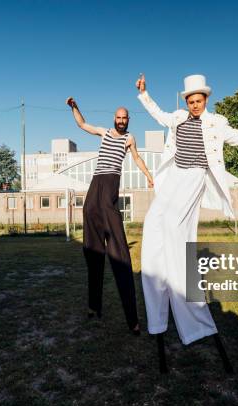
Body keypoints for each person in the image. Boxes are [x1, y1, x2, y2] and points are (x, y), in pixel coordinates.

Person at [135, 74, 238, 372]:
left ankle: (181, 281)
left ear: (205, 100)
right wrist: (144, 93)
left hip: (196, 177)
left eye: (197, 101)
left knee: (175, 228)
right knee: (154, 222)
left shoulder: (217, 123)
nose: (193, 105)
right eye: (190, 101)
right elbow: (159, 115)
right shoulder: (178, 117)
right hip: (174, 176)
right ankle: (158, 270)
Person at [66, 96, 154, 334]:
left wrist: (148, 175)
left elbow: (136, 157)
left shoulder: (129, 138)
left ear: (128, 121)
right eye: (119, 117)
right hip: (94, 193)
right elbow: (82, 125)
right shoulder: (104, 133)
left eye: (125, 118)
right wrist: (75, 107)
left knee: (121, 259)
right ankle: (94, 307)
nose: (122, 121)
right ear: (114, 119)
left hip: (109, 193)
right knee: (93, 254)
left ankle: (132, 320)